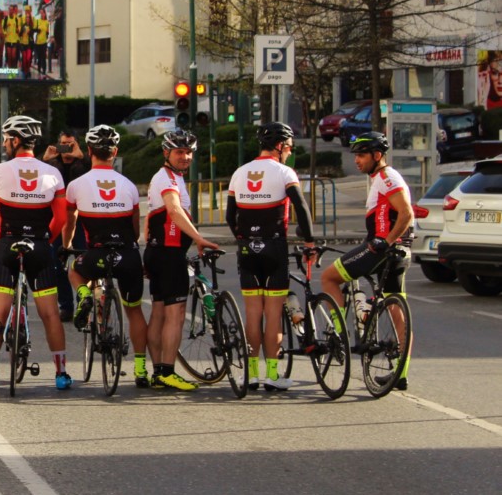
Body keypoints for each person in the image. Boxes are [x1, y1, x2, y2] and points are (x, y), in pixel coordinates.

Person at [0, 115, 71, 391]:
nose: (4, 144)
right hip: (39, 245)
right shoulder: (53, 173)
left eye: (6, 139)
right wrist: (45, 239)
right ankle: (61, 374)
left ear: (15, 140)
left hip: (7, 245)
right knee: (50, 313)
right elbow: (60, 219)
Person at [319, 131, 414, 390]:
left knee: (328, 277)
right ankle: (400, 374)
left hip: (381, 249)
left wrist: (387, 240)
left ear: (377, 155)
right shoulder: (380, 179)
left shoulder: (386, 177)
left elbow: (406, 213)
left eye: (362, 155)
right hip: (399, 251)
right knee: (397, 306)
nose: (357, 160)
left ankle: (339, 336)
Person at [226, 121, 317, 392]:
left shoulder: (239, 173)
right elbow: (300, 207)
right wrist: (310, 241)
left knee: (253, 313)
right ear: (279, 146)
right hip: (274, 247)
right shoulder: (284, 172)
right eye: (288, 147)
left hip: (246, 248)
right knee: (274, 314)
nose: (289, 152)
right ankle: (273, 375)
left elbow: (231, 216)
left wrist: (242, 238)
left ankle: (251, 375)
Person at [64, 125, 151, 387]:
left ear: (89, 151)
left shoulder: (76, 185)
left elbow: (71, 223)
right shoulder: (130, 187)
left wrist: (67, 245)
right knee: (134, 311)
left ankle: (83, 295)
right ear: (115, 152)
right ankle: (140, 369)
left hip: (97, 255)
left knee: (75, 270)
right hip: (127, 255)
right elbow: (135, 231)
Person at [143, 129, 221, 391]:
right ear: (166, 153)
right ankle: (166, 371)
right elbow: (174, 210)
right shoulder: (167, 179)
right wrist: (199, 238)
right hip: (168, 253)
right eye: (179, 152)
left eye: (189, 152)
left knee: (158, 313)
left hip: (159, 251)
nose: (185, 156)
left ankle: (157, 373)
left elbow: (153, 214)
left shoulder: (168, 178)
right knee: (174, 315)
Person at [41, 128, 89, 320]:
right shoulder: (50, 164)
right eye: (63, 144)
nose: (66, 148)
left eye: (71, 144)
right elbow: (33, 179)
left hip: (82, 221)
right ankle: (66, 306)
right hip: (57, 220)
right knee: (56, 263)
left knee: (84, 263)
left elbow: (97, 173)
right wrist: (44, 161)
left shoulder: (84, 163)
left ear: (76, 144)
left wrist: (82, 157)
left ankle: (83, 304)